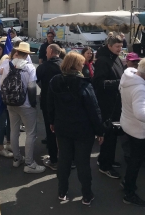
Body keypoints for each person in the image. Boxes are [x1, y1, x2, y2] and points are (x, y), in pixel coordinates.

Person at [47, 51, 104, 205]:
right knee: (83, 162)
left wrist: (52, 122)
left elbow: (49, 105)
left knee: (64, 160)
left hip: (62, 127)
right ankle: (86, 194)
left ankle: (62, 191)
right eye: (81, 64)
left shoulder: (54, 81)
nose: (83, 66)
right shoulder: (84, 84)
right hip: (82, 130)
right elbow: (94, 109)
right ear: (76, 66)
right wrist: (100, 131)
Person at [0, 42, 45, 173]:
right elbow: (31, 88)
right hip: (25, 104)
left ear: (18, 52)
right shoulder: (30, 68)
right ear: (27, 54)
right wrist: (33, 104)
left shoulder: (7, 65)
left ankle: (17, 159)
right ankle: (30, 163)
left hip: (10, 103)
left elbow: (0, 85)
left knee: (14, 130)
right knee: (30, 133)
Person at [93, 35, 124, 179]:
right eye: (117, 46)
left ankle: (106, 160)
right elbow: (99, 83)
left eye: (121, 46)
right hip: (107, 105)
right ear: (110, 46)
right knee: (108, 136)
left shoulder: (115, 58)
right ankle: (105, 166)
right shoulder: (102, 61)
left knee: (112, 136)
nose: (120, 49)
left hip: (116, 103)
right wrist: (120, 82)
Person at [119, 58, 145, 206]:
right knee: (136, 161)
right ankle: (129, 193)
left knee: (132, 160)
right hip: (138, 130)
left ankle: (126, 182)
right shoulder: (140, 88)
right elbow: (141, 113)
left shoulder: (127, 78)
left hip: (127, 124)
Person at [36, 44, 62, 170]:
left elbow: (36, 80)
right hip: (64, 103)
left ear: (51, 52)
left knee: (50, 130)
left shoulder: (43, 67)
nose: (46, 54)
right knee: (63, 131)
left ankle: (53, 160)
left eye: (47, 52)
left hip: (48, 103)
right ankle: (66, 158)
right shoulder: (65, 64)